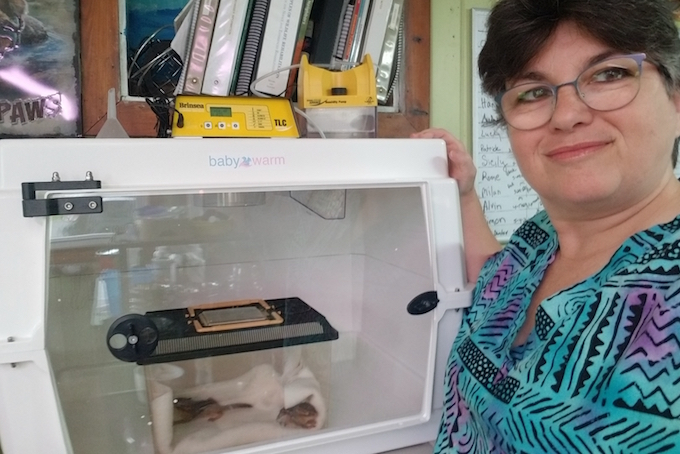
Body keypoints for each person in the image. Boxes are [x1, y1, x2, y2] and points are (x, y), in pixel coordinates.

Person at [412, 0, 680, 452]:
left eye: (609, 74)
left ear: (676, 101)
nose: (566, 115)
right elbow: (494, 286)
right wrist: (464, 194)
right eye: (533, 92)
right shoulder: (538, 239)